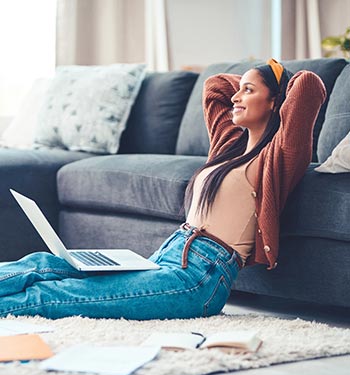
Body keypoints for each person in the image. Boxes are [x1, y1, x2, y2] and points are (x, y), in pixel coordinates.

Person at [0, 59, 326, 320]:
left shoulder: (278, 157)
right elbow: (216, 87)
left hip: (197, 282)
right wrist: (253, 83)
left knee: (54, 295)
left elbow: (308, 86)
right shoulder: (228, 146)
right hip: (164, 258)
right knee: (46, 264)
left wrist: (277, 77)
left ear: (276, 102)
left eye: (248, 91)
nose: (235, 97)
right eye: (238, 90)